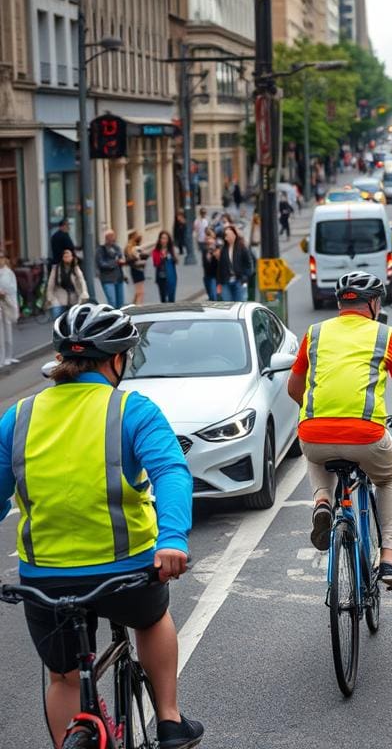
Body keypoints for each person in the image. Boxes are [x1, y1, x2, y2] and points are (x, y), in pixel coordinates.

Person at [0, 304, 203, 749]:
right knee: (151, 620)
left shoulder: (18, 417)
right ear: (116, 360)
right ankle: (168, 719)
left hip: (45, 580)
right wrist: (171, 539)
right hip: (125, 572)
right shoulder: (132, 409)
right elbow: (171, 471)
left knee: (64, 677)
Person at [286, 272, 392, 589]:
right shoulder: (384, 336)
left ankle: (323, 501)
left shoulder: (314, 334)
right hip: (366, 435)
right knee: (389, 478)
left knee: (314, 452)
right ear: (374, 303)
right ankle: (390, 557)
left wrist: (319, 412)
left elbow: (294, 387)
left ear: (340, 303)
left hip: (315, 432)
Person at [45, 248, 89, 319]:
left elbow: (82, 280)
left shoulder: (75, 268)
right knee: (57, 316)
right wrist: (49, 296)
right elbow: (51, 283)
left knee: (74, 318)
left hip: (74, 296)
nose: (67, 258)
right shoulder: (56, 268)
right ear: (62, 258)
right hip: (59, 296)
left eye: (69, 256)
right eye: (65, 257)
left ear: (72, 257)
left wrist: (84, 292)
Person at [216, 225, 253, 302]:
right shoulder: (223, 250)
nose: (226, 237)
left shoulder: (242, 248)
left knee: (240, 304)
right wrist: (219, 283)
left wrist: (245, 277)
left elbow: (249, 264)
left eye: (228, 235)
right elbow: (220, 267)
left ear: (234, 235)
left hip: (240, 280)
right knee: (227, 304)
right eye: (225, 236)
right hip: (226, 281)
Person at [96, 229, 126, 308]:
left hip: (119, 278)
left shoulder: (117, 248)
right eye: (110, 237)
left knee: (121, 303)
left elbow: (121, 258)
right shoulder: (101, 250)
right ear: (106, 238)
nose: (113, 239)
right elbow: (101, 264)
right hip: (107, 279)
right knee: (112, 302)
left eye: (113, 237)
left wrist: (122, 261)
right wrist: (115, 263)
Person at [0, 250, 19, 366]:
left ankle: (9, 356)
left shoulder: (9, 272)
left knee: (8, 328)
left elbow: (13, 288)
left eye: (2, 258)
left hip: (7, 303)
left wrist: (5, 293)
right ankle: (1, 358)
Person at [152, 231, 178, 303]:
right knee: (163, 298)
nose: (163, 240)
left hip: (171, 277)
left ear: (168, 240)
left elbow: (176, 261)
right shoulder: (156, 251)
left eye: (165, 238)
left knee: (171, 298)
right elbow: (155, 264)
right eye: (162, 238)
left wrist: (170, 256)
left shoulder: (172, 250)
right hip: (161, 277)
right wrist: (161, 258)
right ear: (159, 239)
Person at [125, 232, 147, 305]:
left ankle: (134, 305)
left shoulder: (133, 247)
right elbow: (132, 259)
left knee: (139, 291)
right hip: (136, 269)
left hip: (138, 269)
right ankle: (138, 306)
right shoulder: (131, 248)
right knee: (140, 292)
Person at [201, 229, 220, 300]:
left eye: (210, 238)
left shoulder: (217, 248)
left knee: (213, 296)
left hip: (214, 277)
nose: (208, 240)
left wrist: (214, 255)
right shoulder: (205, 250)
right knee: (211, 297)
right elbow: (205, 264)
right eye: (206, 238)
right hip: (206, 276)